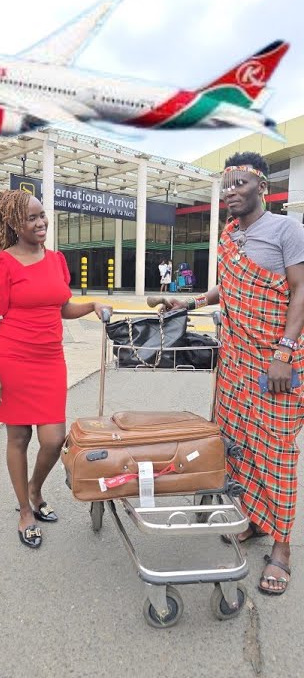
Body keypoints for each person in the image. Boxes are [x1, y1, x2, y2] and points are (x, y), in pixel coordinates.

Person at [153, 152, 304, 596]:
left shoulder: (287, 230)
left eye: (238, 183)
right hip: (236, 358)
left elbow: (300, 292)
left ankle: (282, 547)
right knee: (237, 442)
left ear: (261, 185)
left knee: (276, 448)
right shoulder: (231, 235)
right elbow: (230, 287)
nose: (230, 192)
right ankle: (255, 520)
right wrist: (192, 302)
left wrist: (286, 352)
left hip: (277, 361)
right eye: (225, 186)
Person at [0, 190, 110, 550]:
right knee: (18, 438)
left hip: (51, 360)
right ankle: (24, 509)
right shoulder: (0, 264)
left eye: (42, 215)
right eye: (32, 218)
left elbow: (61, 307)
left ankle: (35, 489)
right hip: (13, 359)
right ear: (14, 224)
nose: (41, 223)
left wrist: (92, 304)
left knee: (52, 440)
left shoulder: (56, 260)